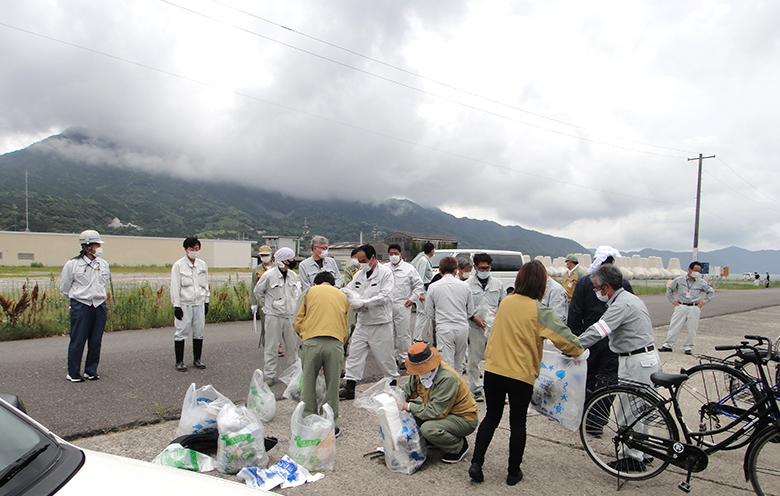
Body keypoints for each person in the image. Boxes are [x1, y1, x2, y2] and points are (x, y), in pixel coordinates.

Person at [469, 260, 584, 485]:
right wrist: (578, 351)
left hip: (494, 370)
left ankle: (476, 463)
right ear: (541, 284)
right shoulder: (539, 310)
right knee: (518, 423)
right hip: (520, 375)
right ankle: (513, 473)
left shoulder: (507, 302)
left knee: (491, 417)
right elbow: (565, 339)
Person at [578, 264, 661, 473]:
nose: (597, 292)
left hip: (636, 361)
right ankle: (645, 451)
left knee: (629, 411)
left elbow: (599, 330)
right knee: (642, 409)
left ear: (606, 287)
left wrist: (573, 346)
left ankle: (631, 458)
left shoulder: (621, 304)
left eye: (597, 288)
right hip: (641, 358)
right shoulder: (630, 299)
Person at [567, 246, 632, 404]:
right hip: (613, 339)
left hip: (590, 337)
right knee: (609, 379)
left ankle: (584, 412)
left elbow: (575, 312)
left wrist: (574, 339)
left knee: (587, 376)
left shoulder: (584, 282)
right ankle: (597, 419)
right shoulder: (623, 283)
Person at [398, 342, 478, 464]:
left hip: (463, 419)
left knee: (428, 429)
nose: (417, 373)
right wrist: (393, 396)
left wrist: (406, 406)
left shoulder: (447, 378)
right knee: (409, 416)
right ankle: (437, 440)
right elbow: (407, 391)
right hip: (442, 412)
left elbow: (436, 411)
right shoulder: (421, 374)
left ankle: (458, 447)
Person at [339, 244, 398, 399]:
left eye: (364, 260)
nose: (361, 263)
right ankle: (350, 388)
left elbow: (386, 296)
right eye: (359, 260)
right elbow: (350, 289)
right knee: (354, 355)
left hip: (380, 323)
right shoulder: (359, 275)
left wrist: (364, 302)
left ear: (373, 257)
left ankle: (392, 387)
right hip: (363, 322)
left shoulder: (386, 273)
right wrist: (345, 293)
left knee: (386, 357)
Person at [294, 271, 350, 434]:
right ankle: (331, 425)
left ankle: (308, 421)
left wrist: (306, 336)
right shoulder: (343, 296)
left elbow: (296, 321)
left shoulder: (309, 292)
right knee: (333, 386)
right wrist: (340, 341)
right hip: (335, 343)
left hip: (312, 342)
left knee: (308, 384)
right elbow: (348, 325)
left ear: (316, 284)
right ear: (333, 284)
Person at [60, 229, 111, 382]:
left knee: (96, 340)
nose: (99, 248)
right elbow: (64, 287)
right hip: (81, 304)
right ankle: (73, 372)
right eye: (96, 245)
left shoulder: (103, 264)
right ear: (87, 246)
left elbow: (104, 284)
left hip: (99, 304)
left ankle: (91, 370)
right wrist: (75, 300)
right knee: (78, 339)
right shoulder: (73, 264)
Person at [253, 247, 301, 386]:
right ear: (282, 260)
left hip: (289, 315)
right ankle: (269, 375)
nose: (292, 262)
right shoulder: (269, 275)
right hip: (274, 316)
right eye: (290, 259)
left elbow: (296, 293)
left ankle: (294, 373)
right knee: (272, 347)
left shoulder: (292, 275)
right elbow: (258, 292)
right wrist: (268, 306)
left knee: (292, 347)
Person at [425, 256, 479, 374]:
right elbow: (470, 311)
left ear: (440, 270)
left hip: (444, 329)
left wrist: (439, 318)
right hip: (462, 328)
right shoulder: (465, 286)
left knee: (447, 364)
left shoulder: (433, 287)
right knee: (459, 364)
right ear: (456, 270)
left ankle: (450, 390)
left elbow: (429, 311)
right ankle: (459, 389)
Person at [467, 253, 505, 402]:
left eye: (487, 268)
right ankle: (476, 389)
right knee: (474, 360)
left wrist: (499, 314)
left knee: (496, 359)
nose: (484, 271)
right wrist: (473, 318)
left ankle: (495, 389)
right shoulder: (467, 285)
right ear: (475, 268)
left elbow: (503, 303)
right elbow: (463, 307)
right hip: (475, 327)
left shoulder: (497, 284)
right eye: (481, 268)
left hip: (493, 328)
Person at [171, 236, 210, 372]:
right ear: (186, 249)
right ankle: (179, 361)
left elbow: (205, 284)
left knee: (199, 330)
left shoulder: (202, 265)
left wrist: (206, 301)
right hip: (184, 303)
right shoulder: (178, 265)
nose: (195, 251)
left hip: (199, 302)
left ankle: (197, 359)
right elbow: (175, 287)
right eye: (192, 249)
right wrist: (176, 305)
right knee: (182, 331)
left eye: (197, 248)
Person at [659, 261, 714, 355]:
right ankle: (668, 345)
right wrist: (673, 301)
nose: (697, 272)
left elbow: (710, 291)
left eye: (699, 271)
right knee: (675, 326)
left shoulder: (701, 282)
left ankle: (688, 347)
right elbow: (670, 290)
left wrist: (703, 302)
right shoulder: (679, 280)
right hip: (682, 305)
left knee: (692, 328)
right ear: (689, 269)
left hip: (694, 306)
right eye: (695, 270)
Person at [387, 244, 424, 371]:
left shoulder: (409, 269)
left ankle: (404, 358)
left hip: (403, 305)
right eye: (391, 253)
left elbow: (419, 285)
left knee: (403, 334)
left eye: (396, 253)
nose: (393, 256)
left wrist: (412, 299)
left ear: (401, 254)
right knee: (388, 333)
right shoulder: (384, 269)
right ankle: (391, 358)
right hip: (387, 306)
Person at [411, 242, 435, 342]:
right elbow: (420, 277)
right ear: (432, 251)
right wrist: (420, 293)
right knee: (422, 314)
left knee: (421, 314)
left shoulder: (422, 259)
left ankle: (417, 337)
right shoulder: (424, 261)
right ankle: (417, 338)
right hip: (423, 290)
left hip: (424, 290)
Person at [250, 245, 274, 349]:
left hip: (276, 299)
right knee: (265, 325)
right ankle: (267, 345)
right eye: (262, 255)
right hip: (263, 300)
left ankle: (277, 345)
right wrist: (253, 303)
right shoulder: (257, 270)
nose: (264, 257)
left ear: (271, 255)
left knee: (276, 325)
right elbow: (253, 287)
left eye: (266, 255)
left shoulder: (277, 267)